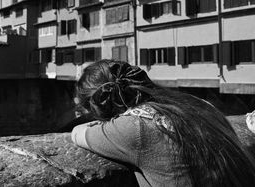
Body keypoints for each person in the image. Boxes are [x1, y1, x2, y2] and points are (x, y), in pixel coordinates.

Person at [71, 60, 255, 187]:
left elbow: (77, 133)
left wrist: (101, 126)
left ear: (100, 105)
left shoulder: (133, 127)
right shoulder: (198, 103)